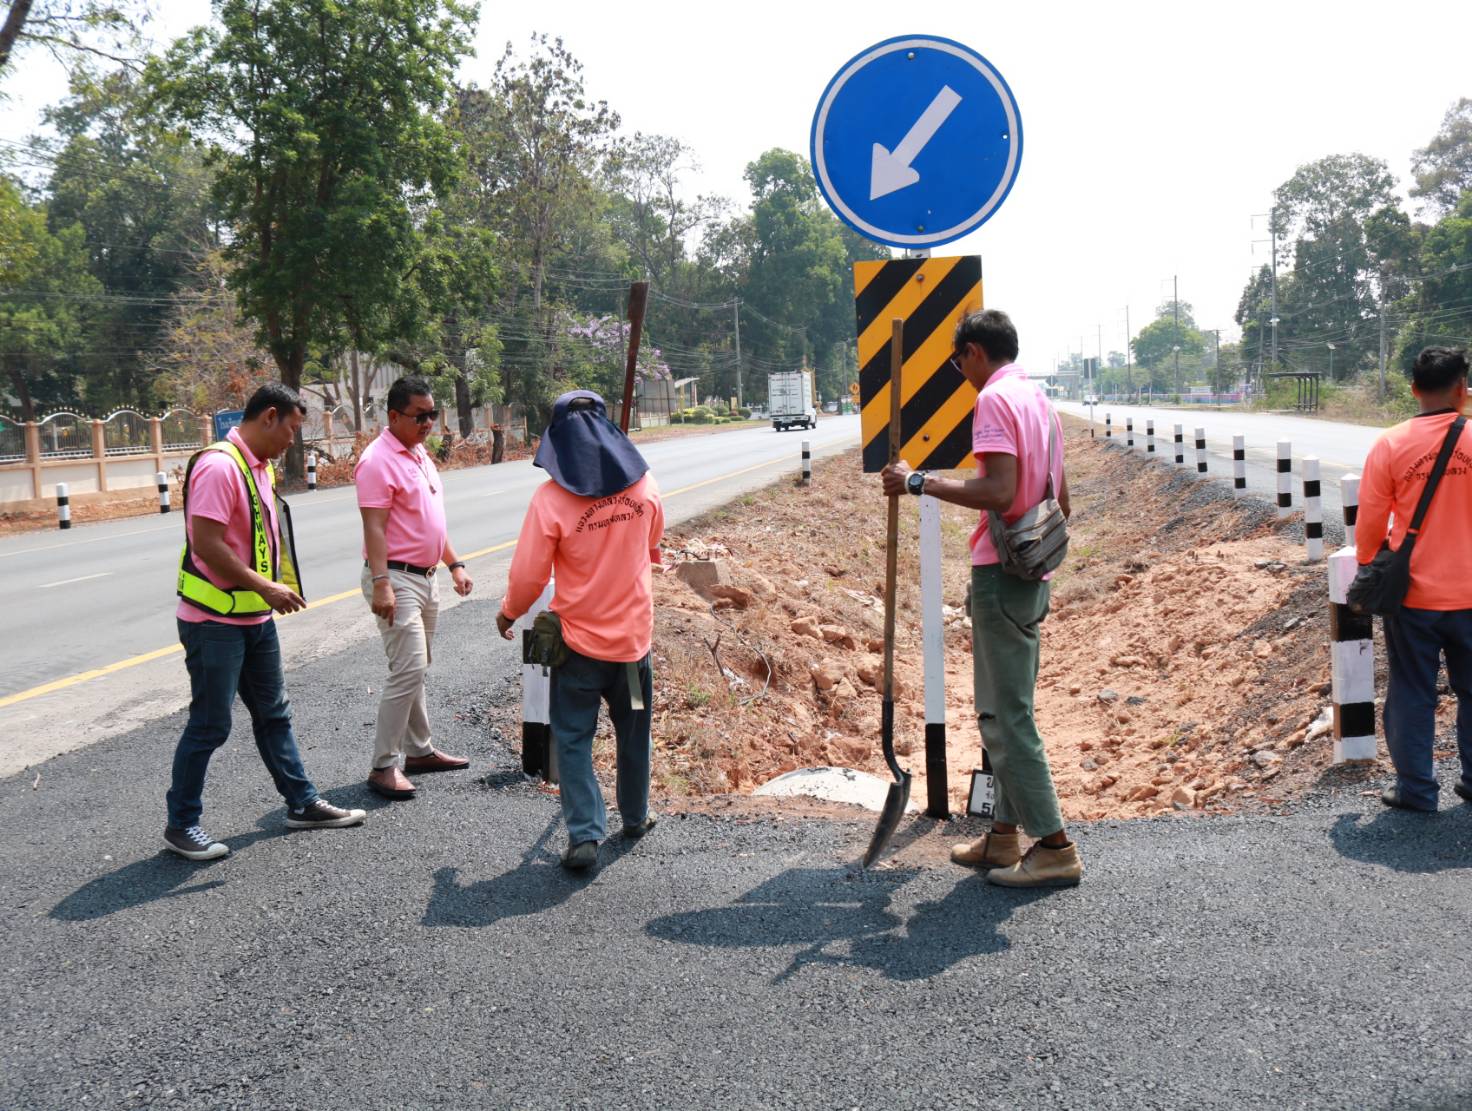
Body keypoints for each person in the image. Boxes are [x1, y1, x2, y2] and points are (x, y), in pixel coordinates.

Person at [882, 309, 1082, 887]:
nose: (960, 373)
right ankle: (1003, 835)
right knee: (999, 709)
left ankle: (1055, 846)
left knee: (1008, 718)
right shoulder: (1039, 402)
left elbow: (999, 490)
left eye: (957, 362)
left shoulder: (994, 400)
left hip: (1002, 574)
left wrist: (918, 481)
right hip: (1033, 570)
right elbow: (1061, 499)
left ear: (972, 351)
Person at [165, 383, 366, 861]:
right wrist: (266, 587)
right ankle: (181, 825)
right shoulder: (219, 466)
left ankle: (302, 803)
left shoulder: (260, 466)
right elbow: (207, 544)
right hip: (213, 620)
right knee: (210, 725)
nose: (293, 440)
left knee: (274, 715)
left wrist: (265, 593)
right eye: (292, 429)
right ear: (269, 416)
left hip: (252, 617)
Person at [496, 390, 665, 871]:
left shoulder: (551, 499)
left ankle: (586, 833)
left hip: (578, 652)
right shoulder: (644, 487)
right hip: (632, 650)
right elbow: (653, 541)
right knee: (634, 731)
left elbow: (528, 577)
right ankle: (635, 815)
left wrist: (509, 613)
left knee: (572, 738)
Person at [1356, 346, 1472, 812]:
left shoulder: (1391, 444)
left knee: (1411, 690)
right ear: (1462, 389)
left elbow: (1370, 521)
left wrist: (1371, 566)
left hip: (1414, 596)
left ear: (1413, 389)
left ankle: (1417, 791)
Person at [356, 376, 474, 800]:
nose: (428, 423)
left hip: (426, 577)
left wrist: (454, 564)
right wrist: (382, 583)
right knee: (407, 669)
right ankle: (383, 765)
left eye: (432, 414)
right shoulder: (376, 461)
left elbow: (430, 520)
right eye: (419, 416)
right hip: (396, 579)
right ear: (393, 416)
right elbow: (374, 527)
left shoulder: (419, 453)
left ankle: (419, 751)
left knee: (417, 667)